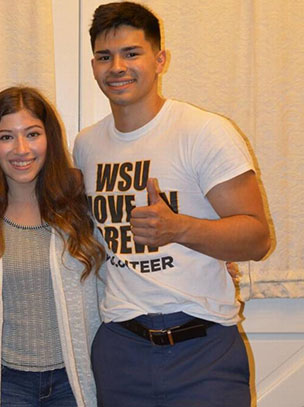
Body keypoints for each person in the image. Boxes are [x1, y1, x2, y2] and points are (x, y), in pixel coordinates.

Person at [73, 2, 271, 406]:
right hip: (119, 348)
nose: (117, 67)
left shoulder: (204, 132)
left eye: (132, 53)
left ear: (160, 59)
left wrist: (179, 227)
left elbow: (257, 238)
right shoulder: (86, 145)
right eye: (104, 57)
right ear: (93, 65)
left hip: (203, 348)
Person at [0, 86, 106, 407]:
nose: (21, 149)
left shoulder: (80, 208)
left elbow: (121, 271)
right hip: (5, 383)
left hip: (73, 380)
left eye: (32, 134)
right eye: (6, 137)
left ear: (49, 139)